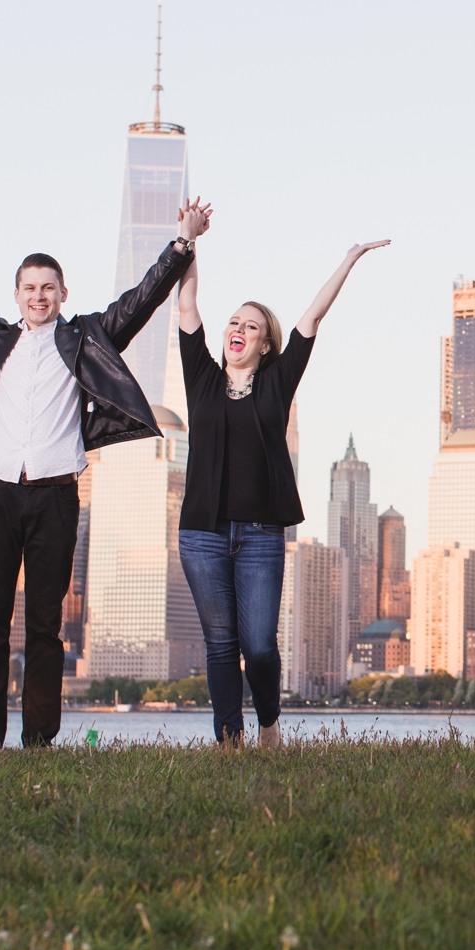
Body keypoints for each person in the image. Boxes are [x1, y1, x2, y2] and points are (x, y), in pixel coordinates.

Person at [0, 190, 206, 748]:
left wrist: (184, 243)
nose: (38, 296)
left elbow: (142, 299)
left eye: (48, 288)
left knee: (46, 626)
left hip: (55, 498)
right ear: (16, 295)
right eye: (29, 288)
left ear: (62, 294)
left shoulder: (87, 338)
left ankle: (40, 741)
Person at [174, 218, 388, 747]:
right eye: (232, 322)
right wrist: (189, 242)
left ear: (265, 343)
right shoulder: (200, 377)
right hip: (201, 533)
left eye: (249, 325)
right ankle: (230, 739)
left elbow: (311, 317)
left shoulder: (277, 382)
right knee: (221, 644)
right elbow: (186, 305)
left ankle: (268, 721)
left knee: (261, 645)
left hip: (261, 536)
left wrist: (350, 258)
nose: (237, 329)